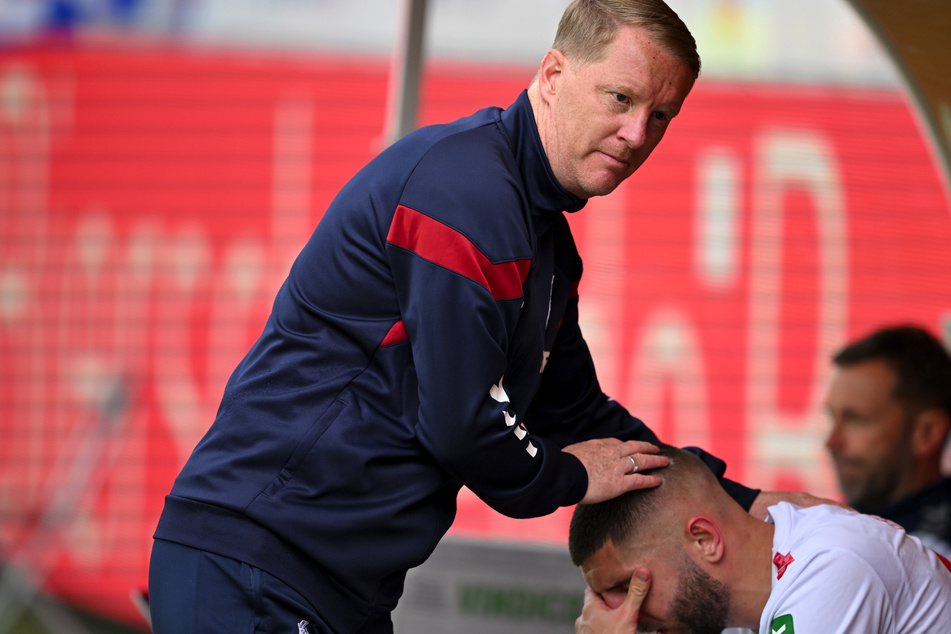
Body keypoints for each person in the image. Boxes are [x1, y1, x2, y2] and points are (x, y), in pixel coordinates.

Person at [148, 2, 816, 632]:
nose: (637, 133)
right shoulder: (465, 194)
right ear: (553, 75)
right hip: (259, 558)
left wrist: (748, 506)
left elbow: (576, 415)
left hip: (330, 580)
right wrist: (570, 476)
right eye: (620, 97)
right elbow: (463, 426)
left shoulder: (541, 237)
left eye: (661, 115)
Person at [569, 444, 951, 634]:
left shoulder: (832, 564)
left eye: (628, 585)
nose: (624, 618)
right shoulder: (736, 608)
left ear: (704, 540)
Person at [825, 324, 951, 557]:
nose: (832, 442)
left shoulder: (937, 554)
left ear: (928, 433)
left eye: (856, 419)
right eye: (832, 417)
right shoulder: (831, 528)